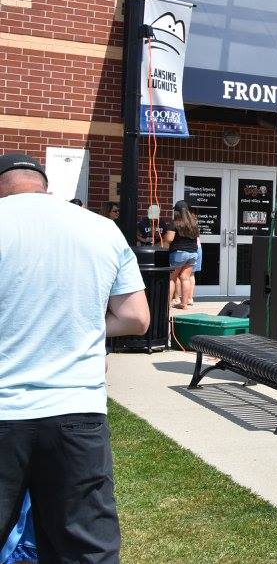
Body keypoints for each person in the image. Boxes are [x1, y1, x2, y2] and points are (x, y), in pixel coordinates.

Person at [0, 153, 150, 561]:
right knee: (86, 550)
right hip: (77, 413)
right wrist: (82, 325)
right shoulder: (101, 228)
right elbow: (136, 318)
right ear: (44, 186)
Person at [162, 200, 200, 309]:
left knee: (172, 278)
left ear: (177, 212)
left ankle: (167, 304)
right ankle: (184, 304)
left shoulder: (175, 223)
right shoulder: (194, 224)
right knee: (185, 278)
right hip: (193, 253)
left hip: (179, 253)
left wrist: (163, 237)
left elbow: (169, 239)